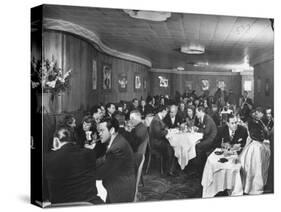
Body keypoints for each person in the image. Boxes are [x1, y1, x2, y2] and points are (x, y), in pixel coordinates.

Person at [45, 127, 103, 204]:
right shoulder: (90, 153)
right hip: (90, 203)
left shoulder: (47, 159)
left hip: (60, 207)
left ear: (56, 140)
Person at [96, 117, 136, 203]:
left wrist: (86, 171)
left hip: (120, 190)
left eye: (102, 130)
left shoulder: (117, 148)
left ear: (112, 130)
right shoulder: (117, 139)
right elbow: (104, 159)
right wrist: (91, 163)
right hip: (122, 180)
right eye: (99, 131)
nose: (99, 134)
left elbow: (101, 174)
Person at [240, 107, 271, 195]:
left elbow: (266, 134)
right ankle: (250, 185)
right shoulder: (253, 122)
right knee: (251, 161)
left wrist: (264, 138)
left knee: (257, 162)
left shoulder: (261, 121)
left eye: (257, 113)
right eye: (255, 113)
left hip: (261, 145)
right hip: (256, 144)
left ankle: (254, 185)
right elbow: (255, 135)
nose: (256, 115)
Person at [149, 105, 176, 176]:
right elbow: (159, 134)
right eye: (166, 112)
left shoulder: (158, 118)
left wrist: (166, 129)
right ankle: (169, 170)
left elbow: (163, 126)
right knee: (171, 148)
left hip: (158, 140)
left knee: (171, 145)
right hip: (156, 142)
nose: (167, 114)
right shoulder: (156, 120)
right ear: (163, 111)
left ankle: (170, 168)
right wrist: (167, 131)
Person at [194, 106, 217, 172]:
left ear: (201, 111)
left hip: (211, 139)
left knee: (198, 146)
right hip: (206, 137)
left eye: (197, 112)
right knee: (195, 144)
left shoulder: (208, 119)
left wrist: (198, 129)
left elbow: (206, 131)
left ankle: (200, 169)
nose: (196, 114)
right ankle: (200, 165)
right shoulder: (202, 118)